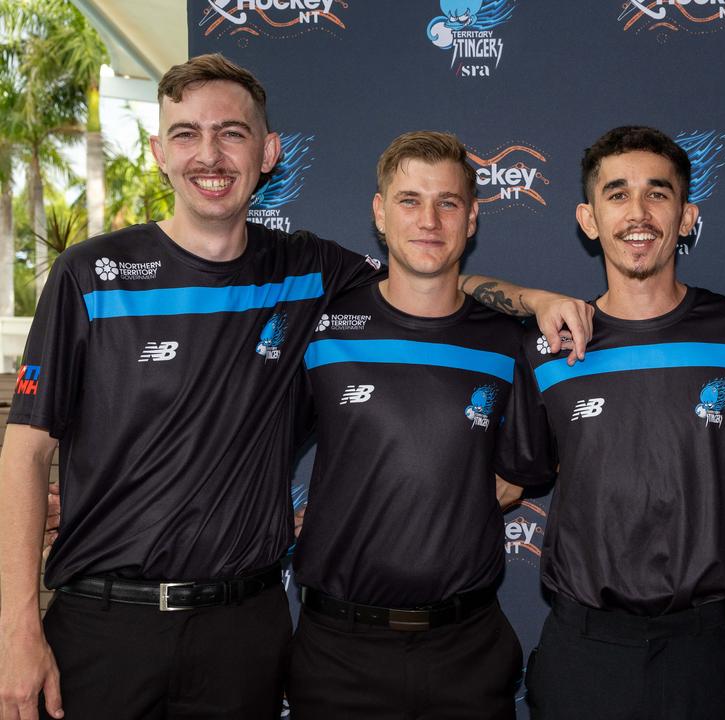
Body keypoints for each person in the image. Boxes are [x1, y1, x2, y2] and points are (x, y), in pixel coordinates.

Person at [0, 54, 586, 720]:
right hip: (105, 624)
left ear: (268, 151)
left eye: (232, 132)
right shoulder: (91, 274)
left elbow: (431, 279)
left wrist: (533, 298)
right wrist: (15, 627)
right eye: (187, 133)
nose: (209, 154)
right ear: (160, 151)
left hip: (244, 632)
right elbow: (23, 452)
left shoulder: (311, 274)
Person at [496, 126, 725, 720]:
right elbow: (514, 477)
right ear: (588, 217)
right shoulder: (548, 348)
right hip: (584, 647)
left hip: (701, 646)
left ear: (686, 217)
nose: (638, 213)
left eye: (658, 194)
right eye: (617, 194)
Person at [285, 130, 531, 719]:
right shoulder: (324, 329)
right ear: (379, 212)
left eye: (447, 202)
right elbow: (245, 442)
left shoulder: (507, 342)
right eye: (409, 200)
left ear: (471, 218)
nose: (429, 220)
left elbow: (518, 476)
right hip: (338, 648)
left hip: (466, 648)